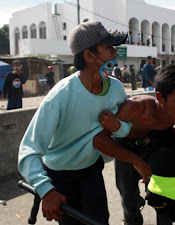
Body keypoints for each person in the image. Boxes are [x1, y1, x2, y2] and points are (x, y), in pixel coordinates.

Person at [18, 21, 151, 225]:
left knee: (99, 221)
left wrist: (118, 127)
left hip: (90, 170)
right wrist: (46, 190)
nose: (114, 53)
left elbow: (121, 132)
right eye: (108, 48)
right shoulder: (61, 96)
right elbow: (29, 150)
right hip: (59, 174)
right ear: (89, 56)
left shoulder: (116, 90)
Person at [99, 65, 175, 225]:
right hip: (126, 150)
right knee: (129, 202)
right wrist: (135, 161)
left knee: (162, 199)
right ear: (160, 97)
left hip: (153, 147)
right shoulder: (136, 107)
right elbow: (103, 138)